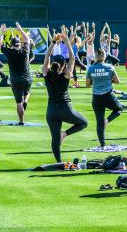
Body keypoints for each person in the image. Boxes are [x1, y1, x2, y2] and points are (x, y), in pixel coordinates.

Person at [43, 27, 88, 163]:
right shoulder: (66, 75)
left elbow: (46, 57)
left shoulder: (46, 73)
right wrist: (67, 41)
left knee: (55, 139)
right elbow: (73, 58)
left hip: (51, 111)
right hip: (65, 109)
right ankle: (65, 134)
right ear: (63, 66)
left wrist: (53, 42)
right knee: (84, 123)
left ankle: (58, 162)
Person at [86, 48, 122, 148]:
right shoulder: (109, 67)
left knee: (99, 121)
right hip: (108, 95)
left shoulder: (91, 68)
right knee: (119, 109)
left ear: (95, 57)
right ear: (104, 56)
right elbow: (117, 81)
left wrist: (96, 81)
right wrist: (108, 80)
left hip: (96, 97)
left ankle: (102, 144)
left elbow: (87, 84)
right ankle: (107, 120)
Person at [0, 23, 32, 125]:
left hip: (16, 80)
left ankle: (21, 121)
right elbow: (27, 40)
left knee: (18, 103)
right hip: (27, 79)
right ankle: (25, 99)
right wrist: (20, 30)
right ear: (19, 44)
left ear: (11, 45)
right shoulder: (25, 51)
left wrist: (2, 33)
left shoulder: (9, 52)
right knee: (28, 93)